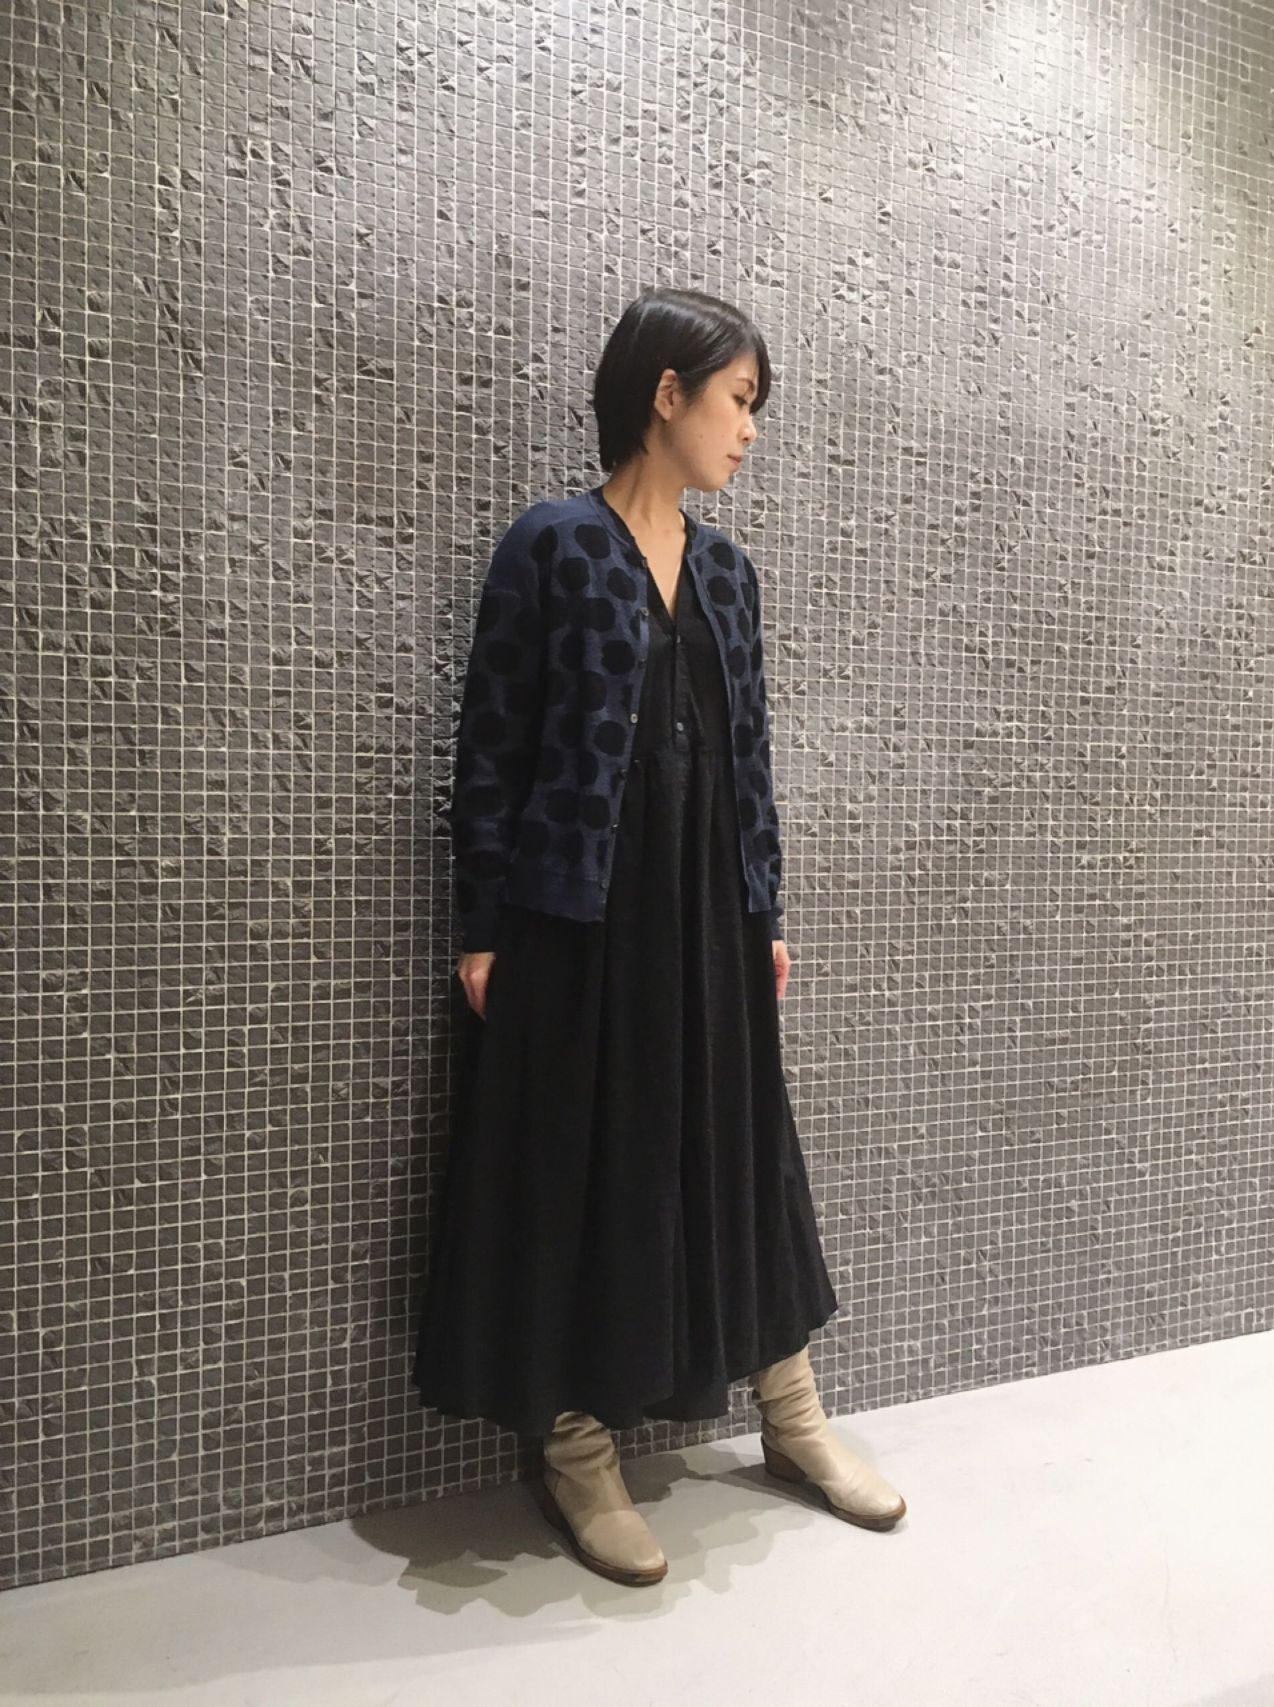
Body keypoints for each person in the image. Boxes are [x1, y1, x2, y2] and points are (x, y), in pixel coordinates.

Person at [413, 285, 907, 1587]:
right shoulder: (554, 546)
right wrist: (482, 928)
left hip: (710, 913)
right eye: (739, 401)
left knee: (743, 1154)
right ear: (666, 394)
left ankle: (792, 1415)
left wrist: (766, 910)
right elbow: (490, 751)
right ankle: (579, 1450)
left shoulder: (731, 574)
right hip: (577, 913)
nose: (750, 429)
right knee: (581, 1165)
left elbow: (750, 763)